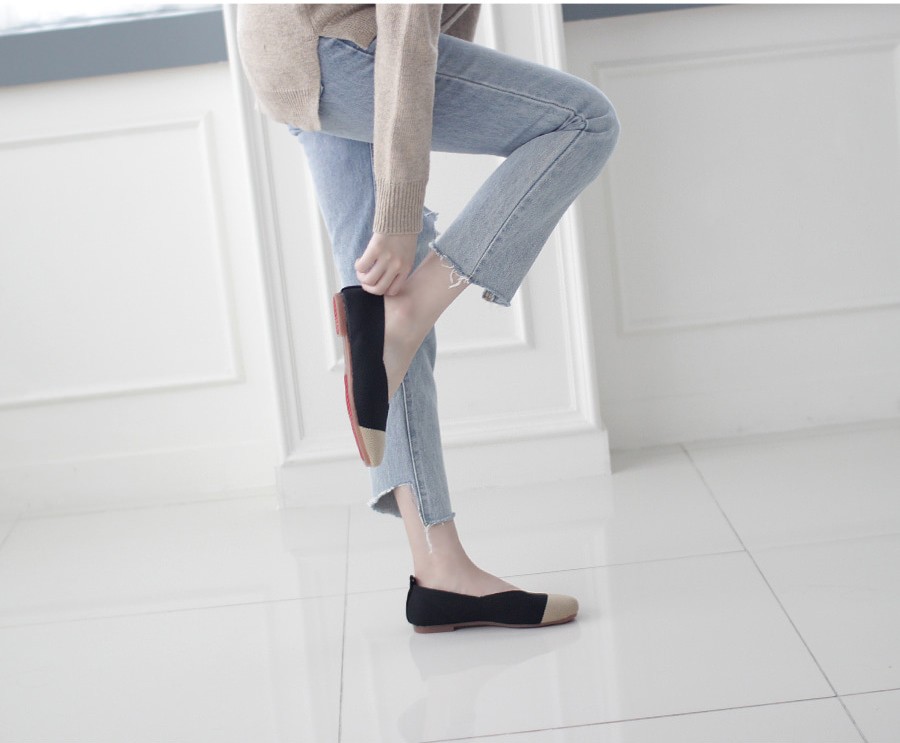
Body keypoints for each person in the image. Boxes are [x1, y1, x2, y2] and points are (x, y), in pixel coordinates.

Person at [236, 4, 620, 632]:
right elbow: (409, 34)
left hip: (293, 50)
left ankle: (439, 569)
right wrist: (399, 211)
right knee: (584, 121)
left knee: (382, 292)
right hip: (339, 47)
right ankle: (408, 314)